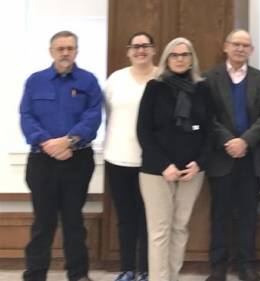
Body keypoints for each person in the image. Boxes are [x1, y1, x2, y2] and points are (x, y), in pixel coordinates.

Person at [20, 30, 102, 281]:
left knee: (73, 221)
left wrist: (69, 140)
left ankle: (78, 275)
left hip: (77, 160)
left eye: (70, 48)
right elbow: (26, 116)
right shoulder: (36, 80)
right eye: (60, 48)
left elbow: (94, 116)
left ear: (76, 51)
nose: (65, 53)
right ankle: (35, 274)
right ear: (51, 52)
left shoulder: (88, 81)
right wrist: (47, 143)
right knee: (42, 223)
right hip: (41, 160)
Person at [136, 37, 212, 281]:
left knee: (180, 228)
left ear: (192, 59)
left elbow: (210, 131)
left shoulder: (203, 89)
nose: (180, 59)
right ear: (166, 59)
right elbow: (143, 131)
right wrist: (163, 165)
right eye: (174, 55)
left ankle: (173, 276)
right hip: (156, 171)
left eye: (185, 54)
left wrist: (199, 163)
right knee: (159, 231)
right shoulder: (154, 87)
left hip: (192, 171)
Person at [204, 29, 260, 281]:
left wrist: (244, 141)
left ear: (251, 50)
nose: (240, 49)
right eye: (236, 44)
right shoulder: (209, 78)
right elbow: (207, 116)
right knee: (220, 213)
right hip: (220, 157)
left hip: (251, 156)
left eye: (246, 45)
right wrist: (229, 140)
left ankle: (246, 265)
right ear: (225, 46)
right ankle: (218, 267)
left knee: (247, 213)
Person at [104, 31, 157, 281]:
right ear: (128, 51)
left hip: (151, 162)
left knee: (149, 220)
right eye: (135, 46)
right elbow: (103, 114)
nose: (140, 50)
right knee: (125, 219)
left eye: (145, 46)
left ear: (153, 50)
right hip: (117, 159)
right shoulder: (116, 79)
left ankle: (146, 270)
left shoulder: (161, 79)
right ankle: (127, 269)